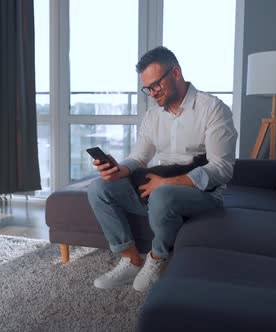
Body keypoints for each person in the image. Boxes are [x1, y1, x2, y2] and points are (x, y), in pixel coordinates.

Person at [87, 46, 238, 292]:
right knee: (98, 187)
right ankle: (131, 260)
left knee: (161, 193)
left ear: (176, 73)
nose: (152, 94)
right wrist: (119, 169)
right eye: (147, 88)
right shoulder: (153, 116)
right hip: (160, 189)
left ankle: (157, 259)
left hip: (204, 194)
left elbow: (222, 168)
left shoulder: (213, 109)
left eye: (156, 85)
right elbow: (139, 156)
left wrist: (167, 183)